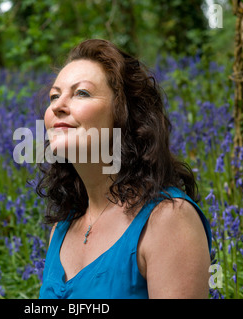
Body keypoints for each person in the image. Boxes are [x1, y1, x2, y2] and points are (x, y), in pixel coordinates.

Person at [36, 39, 212, 299]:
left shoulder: (167, 220)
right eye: (54, 95)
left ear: (124, 113)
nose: (57, 106)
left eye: (81, 93)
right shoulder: (61, 230)